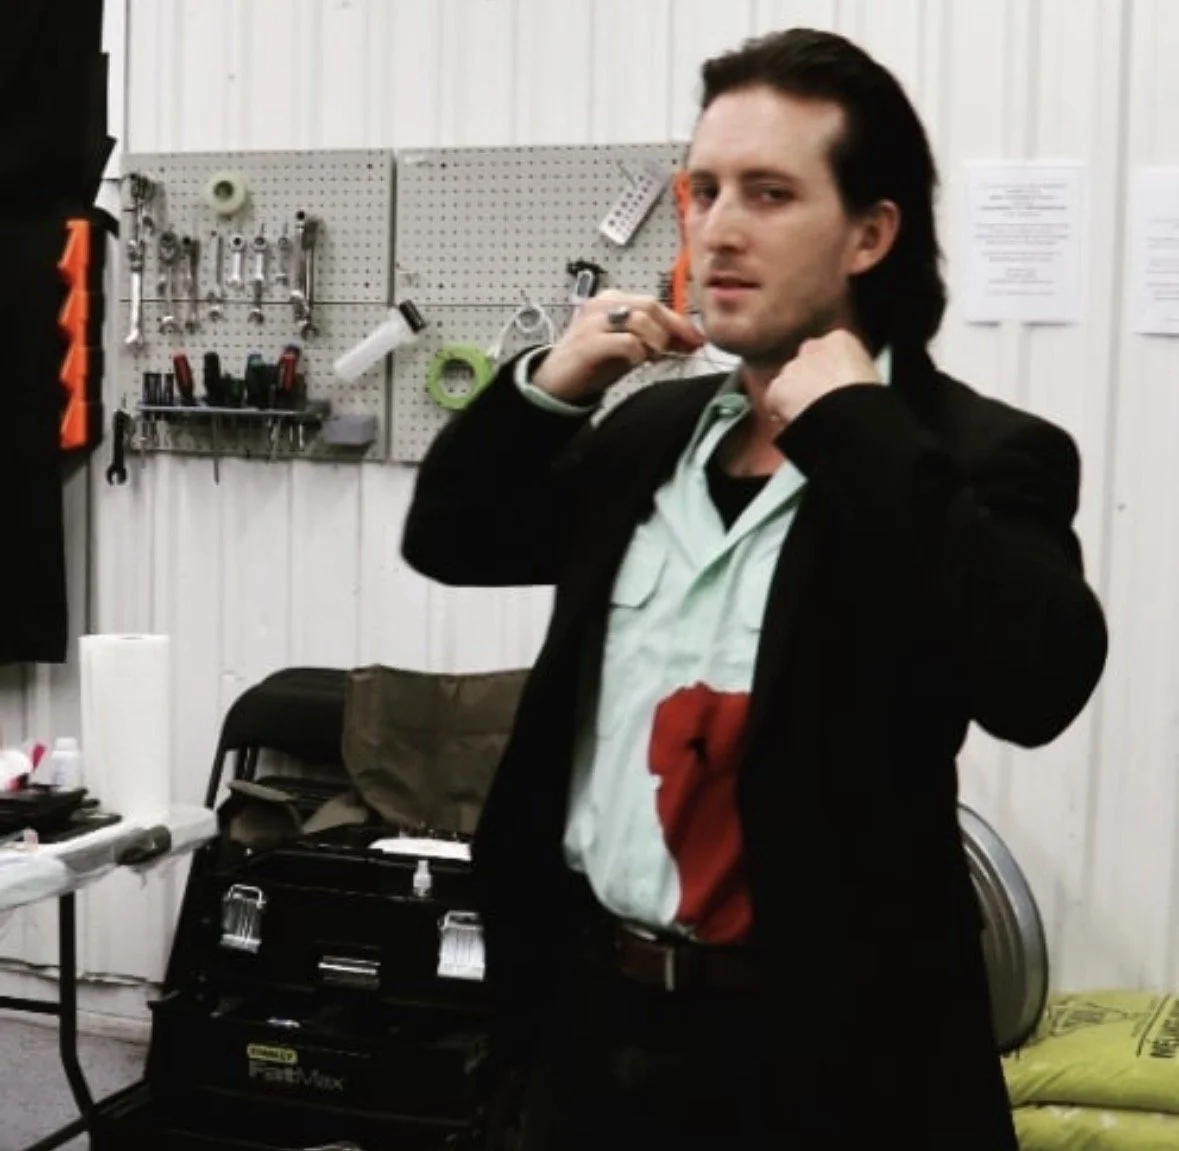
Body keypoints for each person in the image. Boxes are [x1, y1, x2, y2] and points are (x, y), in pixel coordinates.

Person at [402, 26, 1108, 1151]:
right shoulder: (649, 433)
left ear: (871, 232)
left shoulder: (972, 455)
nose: (717, 227)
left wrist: (860, 432)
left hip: (832, 1063)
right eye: (703, 188)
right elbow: (450, 535)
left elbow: (1039, 679)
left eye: (770, 193)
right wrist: (544, 388)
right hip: (595, 1027)